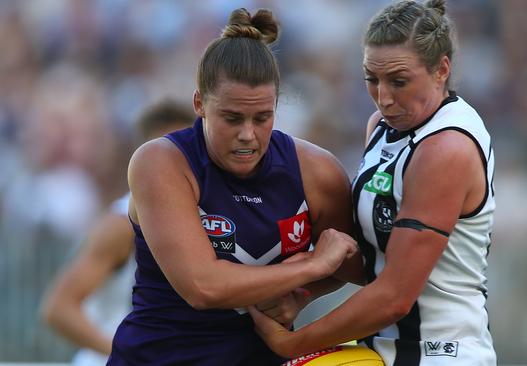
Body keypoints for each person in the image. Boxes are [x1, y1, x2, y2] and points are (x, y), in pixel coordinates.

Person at [107, 7, 362, 366]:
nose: (247, 135)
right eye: (231, 118)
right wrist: (310, 267)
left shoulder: (317, 172)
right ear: (200, 104)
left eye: (262, 118)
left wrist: (302, 294)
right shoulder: (160, 162)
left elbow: (354, 265)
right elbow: (204, 287)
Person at [248, 0, 497, 365]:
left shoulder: (446, 149)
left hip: (438, 353)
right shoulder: (381, 127)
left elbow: (395, 295)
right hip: (380, 349)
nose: (384, 98)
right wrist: (303, 287)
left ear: (442, 69)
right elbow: (374, 259)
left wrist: (293, 343)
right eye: (371, 79)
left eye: (399, 81)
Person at [40, 99, 195, 366]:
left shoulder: (202, 218)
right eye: (163, 150)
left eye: (184, 150)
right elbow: (58, 308)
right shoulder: (121, 225)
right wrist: (127, 352)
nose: (174, 161)